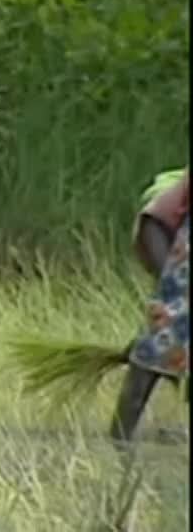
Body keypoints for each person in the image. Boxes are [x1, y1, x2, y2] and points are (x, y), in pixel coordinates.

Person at [111, 167, 189, 444]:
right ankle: (119, 443)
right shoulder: (178, 193)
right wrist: (169, 286)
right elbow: (153, 222)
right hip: (179, 279)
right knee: (155, 354)